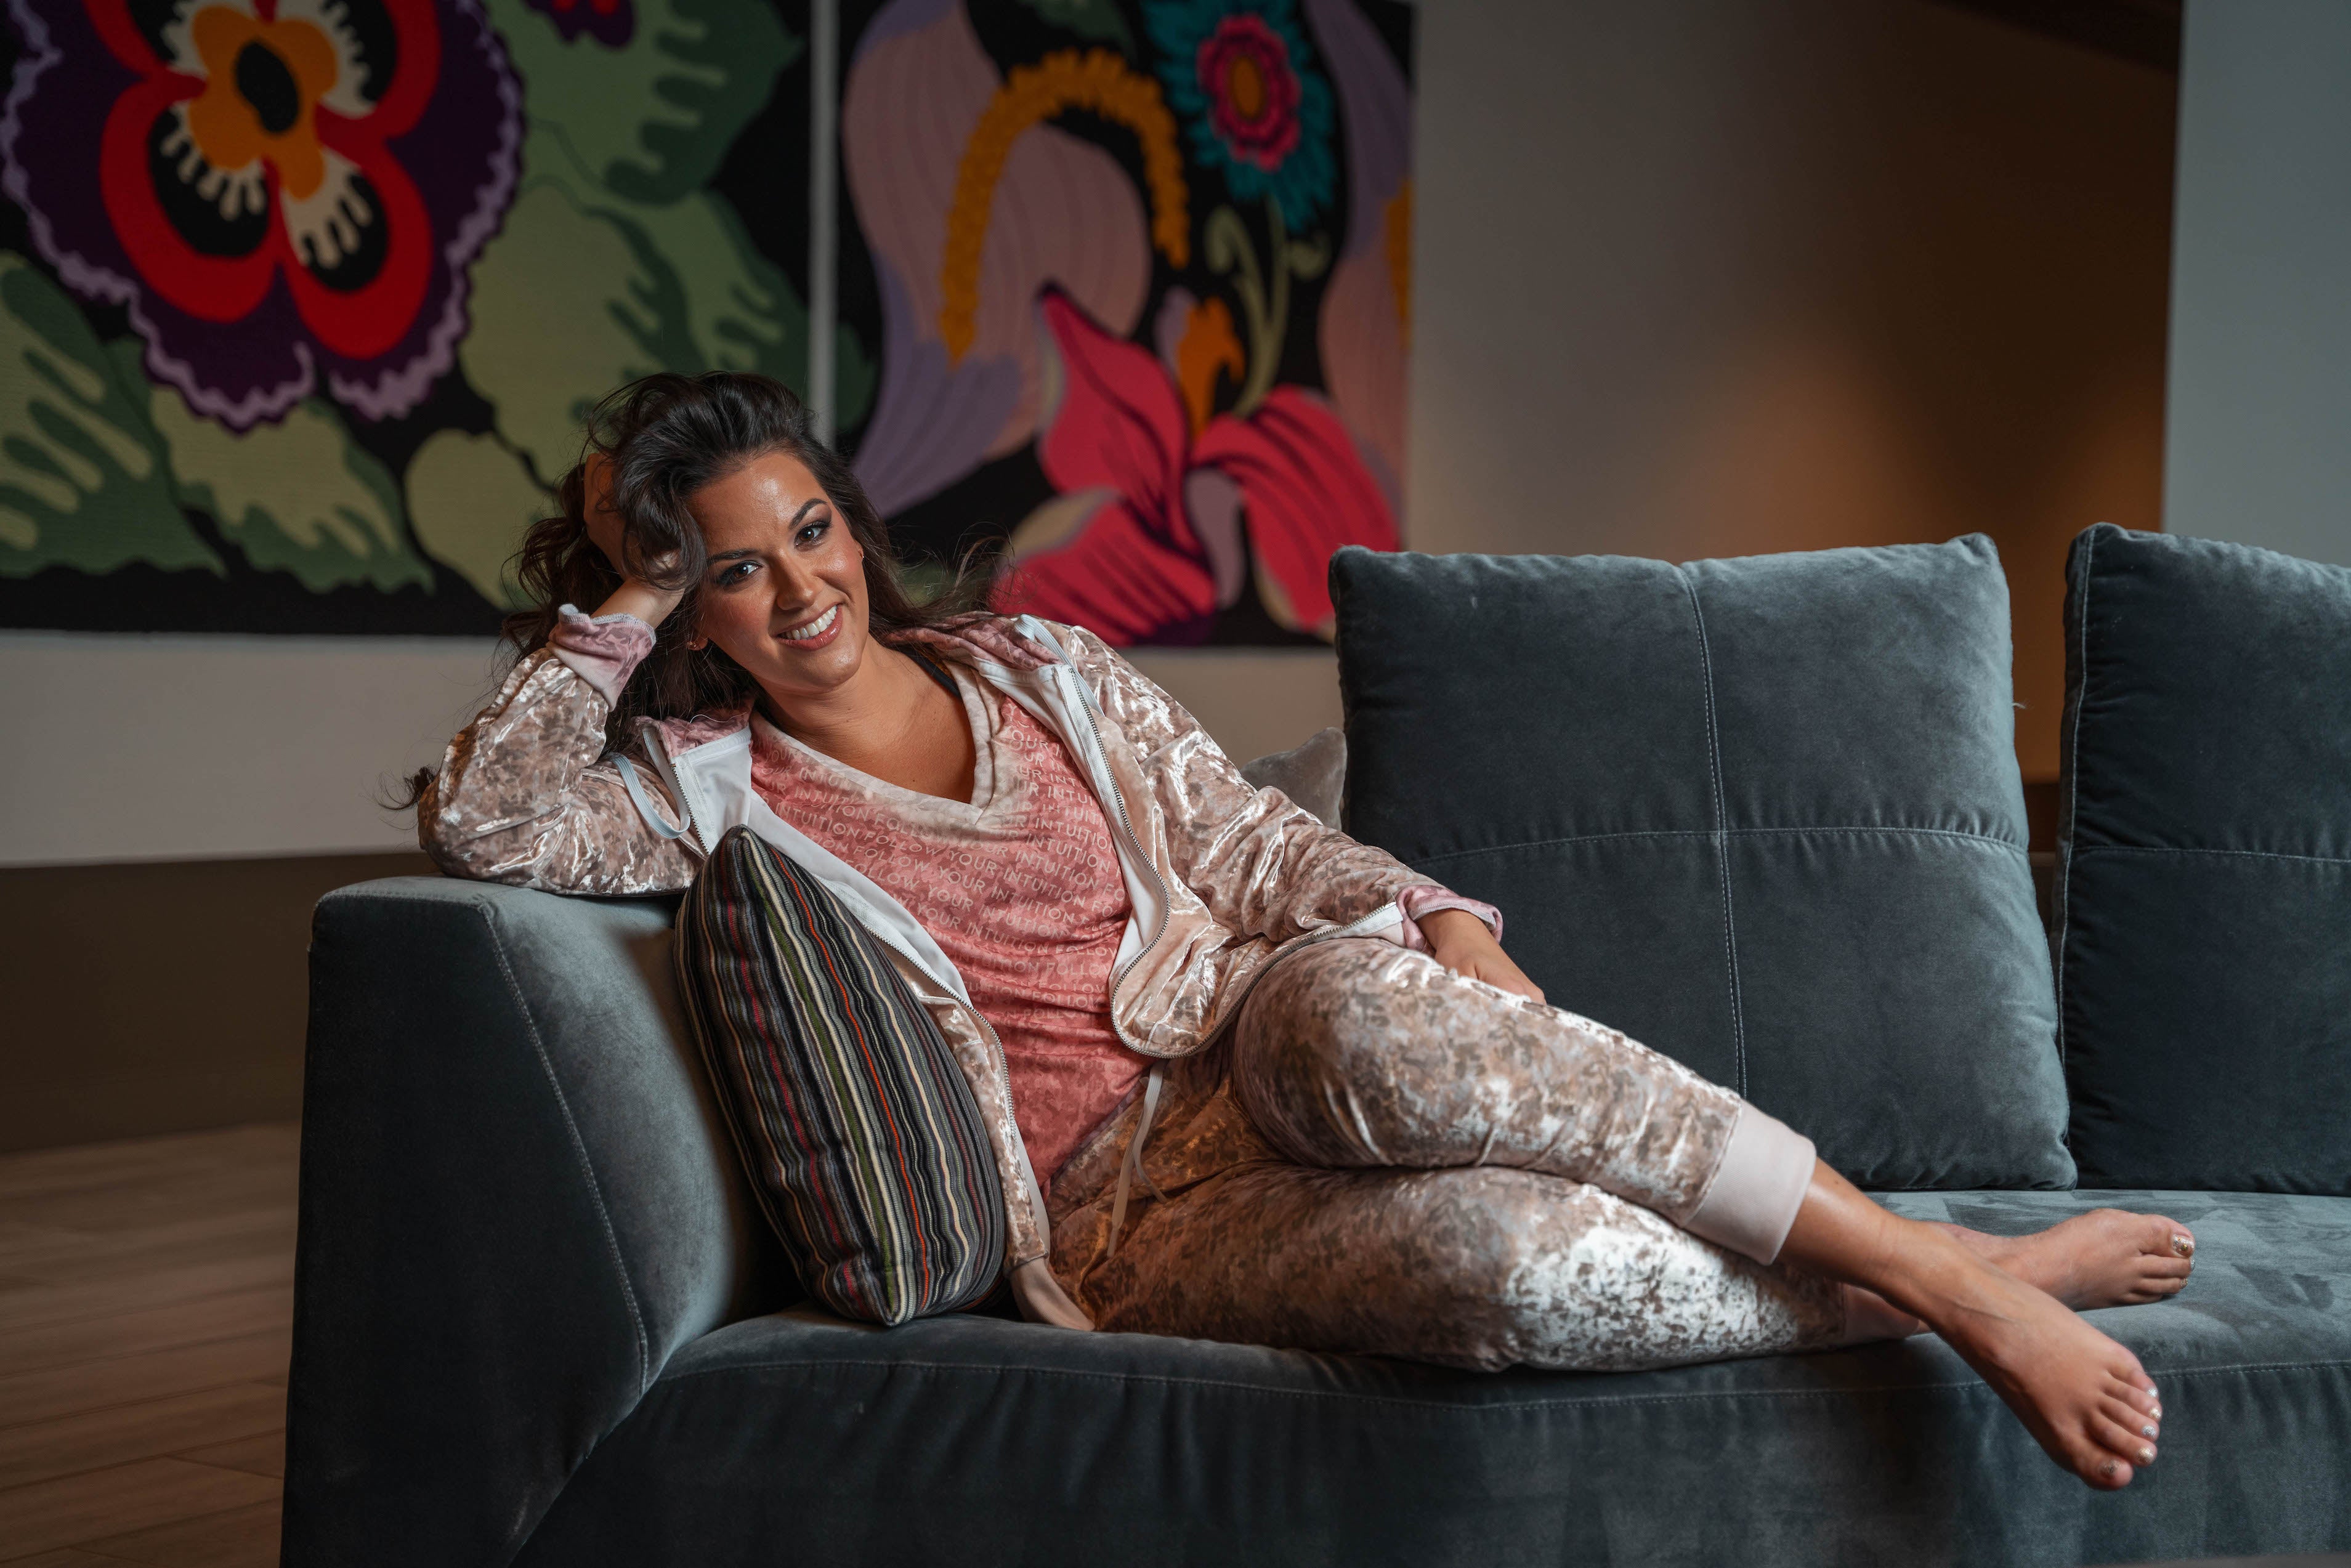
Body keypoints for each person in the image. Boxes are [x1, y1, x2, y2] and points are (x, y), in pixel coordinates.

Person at [416, 371, 2195, 1491]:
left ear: (853, 523)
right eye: (733, 568)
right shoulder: (704, 793)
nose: (802, 585)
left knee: (1369, 1019)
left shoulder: (1040, 670)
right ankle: (1945, 1280)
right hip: (1122, 1213)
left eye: (810, 530)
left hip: (1257, 1030)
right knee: (1497, 1272)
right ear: (693, 608)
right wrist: (632, 578)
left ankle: (1946, 1276)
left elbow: (1251, 838)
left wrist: (1435, 915)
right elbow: (488, 816)